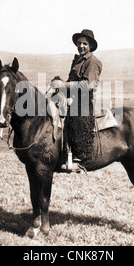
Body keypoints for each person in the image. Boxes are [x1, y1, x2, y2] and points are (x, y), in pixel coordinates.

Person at [51, 29, 102, 171]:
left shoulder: (93, 62)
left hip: (84, 101)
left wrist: (64, 85)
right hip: (73, 97)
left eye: (84, 43)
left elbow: (87, 85)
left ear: (90, 46)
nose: (81, 46)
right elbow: (71, 82)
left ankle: (79, 157)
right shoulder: (77, 61)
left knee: (77, 117)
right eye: (79, 43)